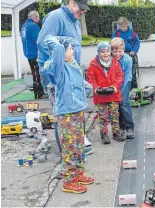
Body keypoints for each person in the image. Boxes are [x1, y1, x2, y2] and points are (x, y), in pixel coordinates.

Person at [37, 0, 93, 155]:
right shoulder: (56, 17)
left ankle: (76, 148)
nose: (82, 12)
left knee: (75, 108)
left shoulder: (73, 20)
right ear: (71, 2)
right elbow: (43, 42)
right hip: (58, 74)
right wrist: (61, 64)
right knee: (62, 114)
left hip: (70, 72)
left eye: (84, 10)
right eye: (80, 8)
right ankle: (67, 157)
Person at [44, 35, 94, 194]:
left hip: (77, 111)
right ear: (60, 52)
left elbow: (78, 82)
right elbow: (56, 46)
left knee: (79, 145)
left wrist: (87, 88)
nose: (73, 50)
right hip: (66, 113)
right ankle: (69, 181)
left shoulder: (72, 64)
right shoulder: (57, 68)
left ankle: (78, 173)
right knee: (70, 147)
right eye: (69, 49)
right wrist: (56, 40)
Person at [86, 42, 124, 144]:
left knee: (114, 115)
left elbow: (120, 76)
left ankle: (116, 133)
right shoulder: (93, 64)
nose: (105, 54)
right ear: (98, 53)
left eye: (107, 51)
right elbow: (90, 78)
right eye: (103, 52)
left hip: (113, 94)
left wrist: (115, 86)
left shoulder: (115, 62)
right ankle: (104, 134)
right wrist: (96, 87)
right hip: (100, 95)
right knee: (103, 116)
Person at [110, 37, 135, 139]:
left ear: (123, 50)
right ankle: (121, 126)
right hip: (113, 84)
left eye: (120, 51)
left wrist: (121, 90)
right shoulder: (109, 59)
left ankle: (130, 126)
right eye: (115, 51)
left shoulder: (127, 59)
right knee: (116, 105)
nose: (117, 54)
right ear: (111, 50)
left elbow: (127, 75)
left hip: (125, 82)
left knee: (124, 103)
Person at [21, 11, 47, 99]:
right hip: (35, 53)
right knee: (37, 74)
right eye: (38, 18)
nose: (39, 20)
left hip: (28, 53)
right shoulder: (33, 26)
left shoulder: (24, 26)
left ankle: (38, 93)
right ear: (35, 17)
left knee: (34, 73)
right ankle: (39, 94)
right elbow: (39, 40)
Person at [111, 17, 140, 90]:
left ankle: (133, 89)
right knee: (119, 72)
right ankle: (120, 89)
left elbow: (137, 43)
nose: (123, 28)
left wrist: (134, 50)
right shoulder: (116, 33)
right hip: (118, 56)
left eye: (124, 26)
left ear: (127, 25)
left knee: (131, 74)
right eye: (121, 26)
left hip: (130, 54)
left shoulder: (132, 33)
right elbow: (112, 43)